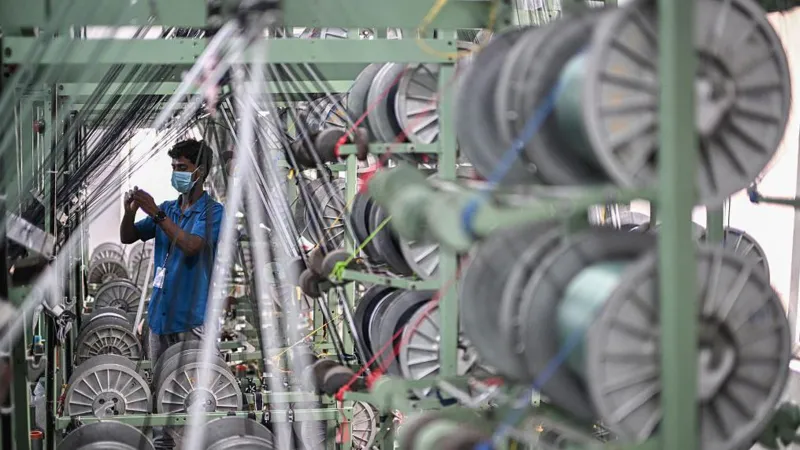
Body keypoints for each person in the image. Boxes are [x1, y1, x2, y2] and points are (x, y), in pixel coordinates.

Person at [119, 139, 224, 363]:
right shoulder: (169, 209)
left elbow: (191, 246)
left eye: (182, 168)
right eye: (174, 168)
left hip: (191, 321)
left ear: (200, 172)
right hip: (159, 319)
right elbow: (127, 237)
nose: (176, 173)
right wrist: (130, 212)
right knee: (161, 385)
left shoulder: (212, 213)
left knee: (193, 388)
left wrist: (156, 214)